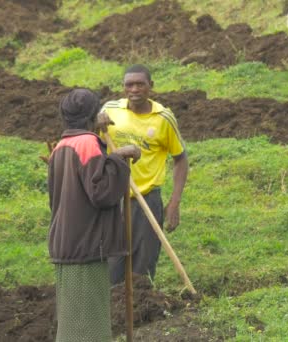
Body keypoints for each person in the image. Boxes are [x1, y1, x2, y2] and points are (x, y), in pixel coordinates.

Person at [47, 88, 140, 342]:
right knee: (88, 328)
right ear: (93, 115)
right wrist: (120, 161)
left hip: (68, 245)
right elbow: (101, 192)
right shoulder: (87, 143)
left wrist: (113, 156)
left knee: (72, 325)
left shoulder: (62, 146)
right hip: (85, 246)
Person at [98, 64, 189, 285]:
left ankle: (142, 310)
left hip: (147, 198)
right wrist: (95, 122)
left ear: (151, 86)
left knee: (143, 265)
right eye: (129, 85)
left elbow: (181, 158)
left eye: (140, 84)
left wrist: (174, 202)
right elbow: (95, 144)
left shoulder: (163, 118)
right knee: (112, 264)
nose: (135, 89)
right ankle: (114, 312)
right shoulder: (109, 110)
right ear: (123, 88)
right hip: (113, 198)